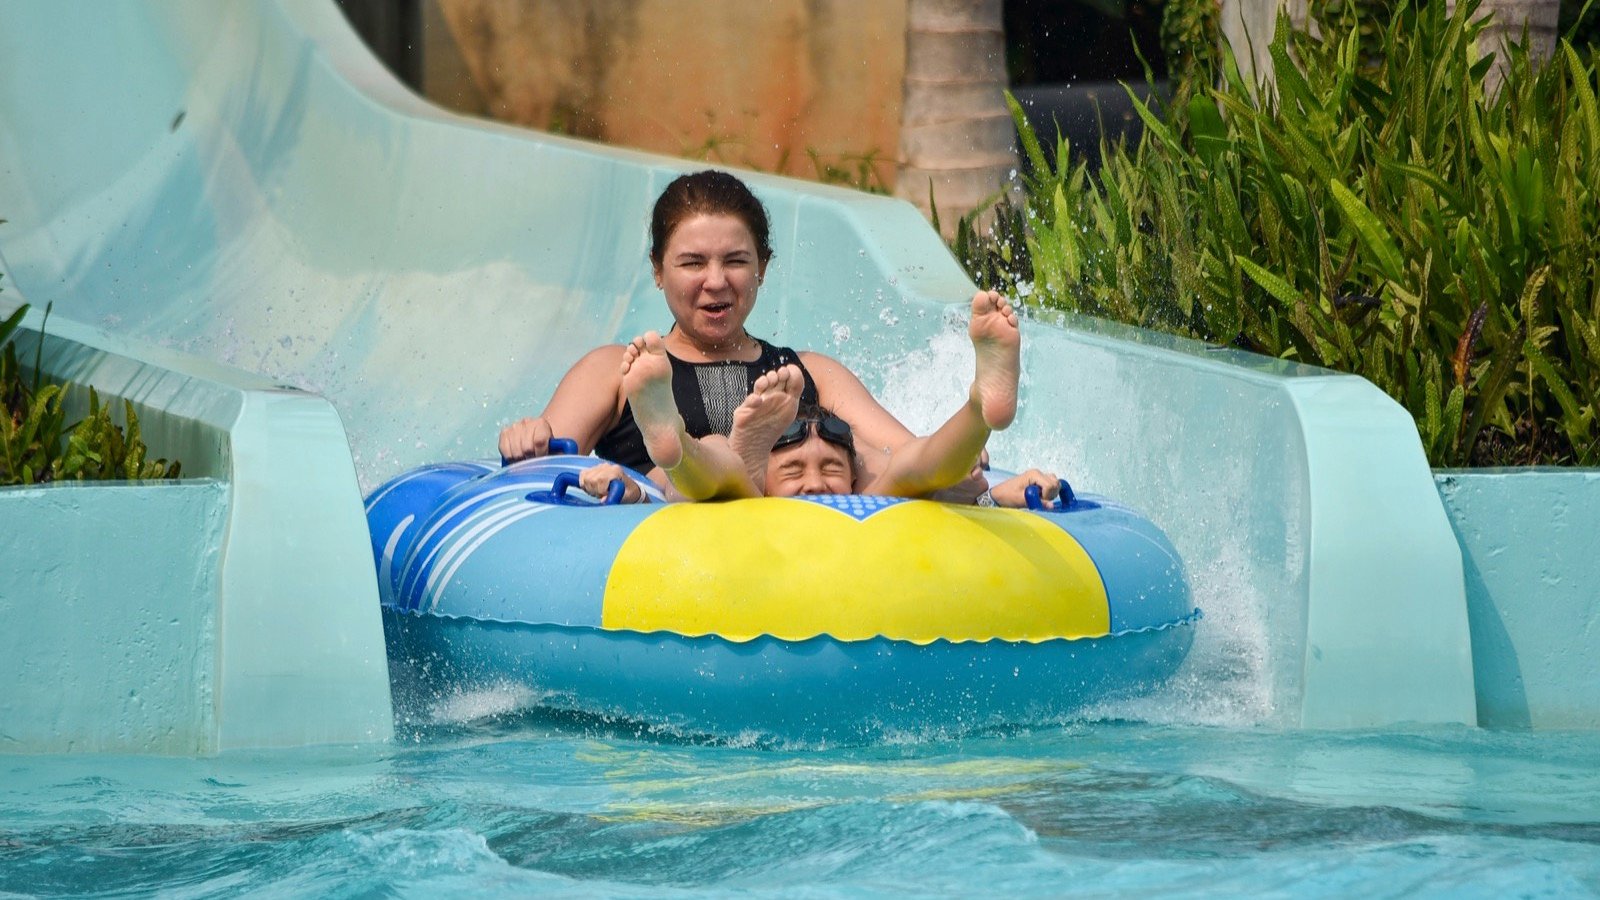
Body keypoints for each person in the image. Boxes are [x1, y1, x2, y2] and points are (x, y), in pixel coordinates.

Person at [498, 169, 987, 501]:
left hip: (791, 549)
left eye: (735, 261)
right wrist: (530, 444)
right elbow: (543, 483)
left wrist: (960, 465)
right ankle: (688, 450)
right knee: (699, 455)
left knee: (889, 463)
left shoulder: (809, 373)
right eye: (692, 263)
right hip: (671, 543)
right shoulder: (618, 370)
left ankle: (980, 409)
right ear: (657, 272)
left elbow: (898, 452)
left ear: (762, 268)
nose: (716, 280)